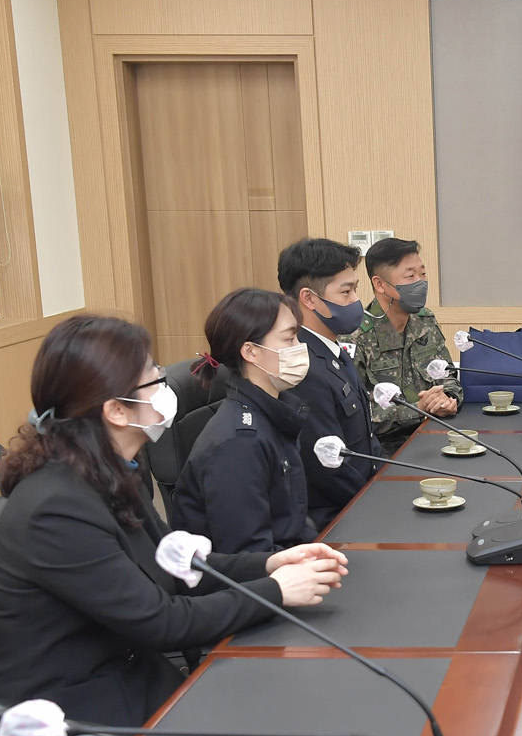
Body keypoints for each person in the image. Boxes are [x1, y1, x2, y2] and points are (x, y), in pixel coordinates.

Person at [0, 314, 347, 736]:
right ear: (116, 409)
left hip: (130, 683)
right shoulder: (55, 508)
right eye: (153, 378)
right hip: (62, 734)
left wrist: (270, 564)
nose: (165, 385)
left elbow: (178, 568)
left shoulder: (111, 472)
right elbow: (161, 621)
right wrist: (279, 591)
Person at [172, 288, 317, 553]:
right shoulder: (238, 443)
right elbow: (249, 554)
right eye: (289, 339)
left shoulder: (276, 412)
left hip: (291, 557)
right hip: (267, 572)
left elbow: (291, 518)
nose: (299, 348)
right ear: (250, 351)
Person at [278, 237, 384, 525]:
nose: (356, 301)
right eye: (346, 292)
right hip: (337, 517)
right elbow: (328, 467)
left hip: (363, 496)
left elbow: (365, 437)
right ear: (309, 298)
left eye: (355, 289)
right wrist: (377, 502)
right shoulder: (304, 366)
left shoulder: (331, 348)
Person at [345, 236, 463, 454]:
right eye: (410, 276)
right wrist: (417, 410)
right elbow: (356, 414)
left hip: (435, 435)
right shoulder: (356, 337)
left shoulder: (425, 321)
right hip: (385, 451)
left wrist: (447, 398)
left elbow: (448, 375)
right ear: (380, 284)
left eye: (423, 274)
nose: (420, 282)